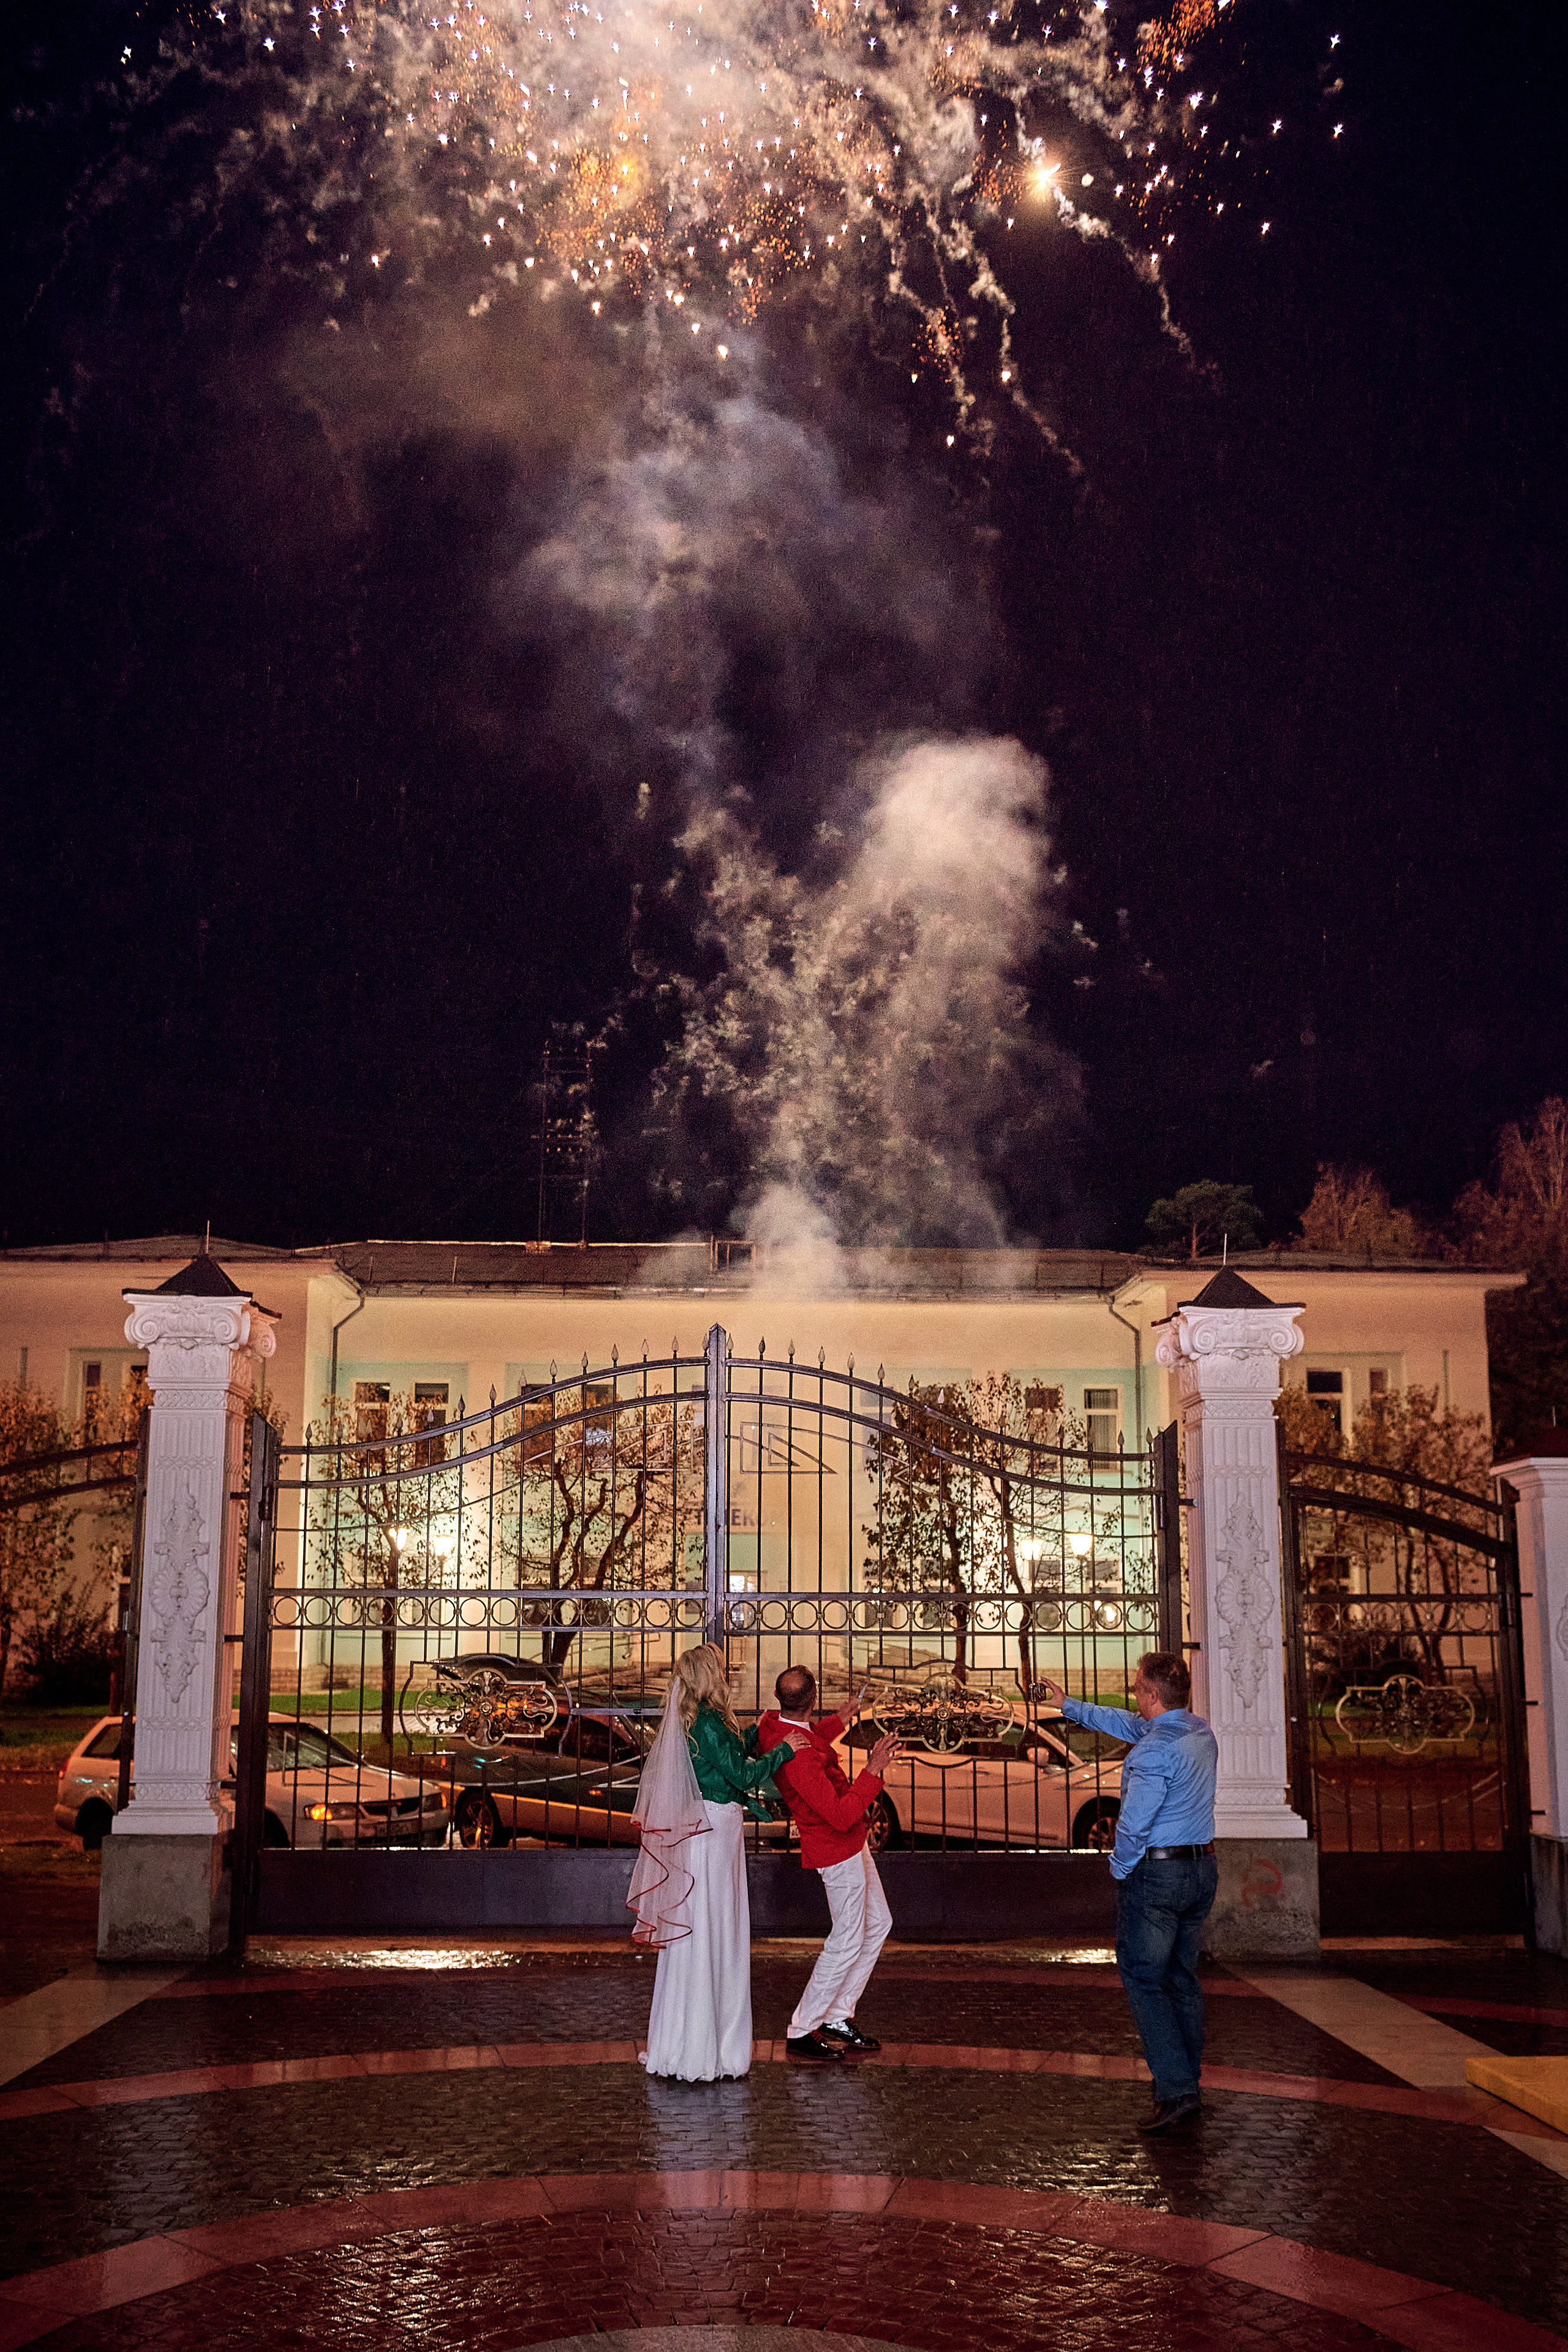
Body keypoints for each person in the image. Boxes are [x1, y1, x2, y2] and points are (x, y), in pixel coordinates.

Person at [1033, 1650, 1219, 2135]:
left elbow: (1134, 1824)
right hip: (1201, 1870)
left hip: (1158, 1877)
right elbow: (1128, 1724)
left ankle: (1175, 2090)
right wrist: (1068, 1705)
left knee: (1144, 1979)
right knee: (1181, 1978)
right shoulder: (1199, 1732)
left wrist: (1120, 1868)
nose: (1133, 1694)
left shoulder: (1153, 1752)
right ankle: (1187, 2082)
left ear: (1152, 1695)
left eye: (1138, 1688)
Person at [628, 1642, 805, 2082]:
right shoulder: (706, 1722)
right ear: (708, 1675)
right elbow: (741, 1774)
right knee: (713, 1925)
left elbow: (729, 1754)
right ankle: (705, 2048)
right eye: (720, 1669)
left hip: (714, 1831)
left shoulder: (702, 1720)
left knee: (708, 1925)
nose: (726, 1674)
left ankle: (693, 2040)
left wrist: (759, 1733)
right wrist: (784, 1751)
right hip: (713, 1833)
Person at [756, 1665, 902, 2062]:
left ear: (779, 1698)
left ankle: (837, 2015)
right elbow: (838, 1815)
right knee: (846, 1940)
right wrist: (873, 1769)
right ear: (813, 1699)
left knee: (878, 1923)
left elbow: (809, 1737)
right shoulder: (799, 1759)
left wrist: (840, 1719)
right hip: (836, 1848)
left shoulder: (775, 1726)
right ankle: (803, 2027)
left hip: (850, 1842)